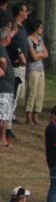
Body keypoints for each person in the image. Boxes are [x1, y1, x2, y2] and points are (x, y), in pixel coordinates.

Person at [24, 19, 48, 125]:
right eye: (41, 27)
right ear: (35, 28)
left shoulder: (40, 39)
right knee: (32, 92)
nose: (42, 29)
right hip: (33, 69)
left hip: (41, 69)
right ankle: (28, 114)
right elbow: (33, 56)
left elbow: (46, 53)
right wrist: (39, 55)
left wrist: (39, 55)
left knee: (40, 93)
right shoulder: (28, 40)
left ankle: (36, 114)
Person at [0, 18, 15, 148]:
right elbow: (3, 61)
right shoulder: (1, 48)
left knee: (5, 114)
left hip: (7, 87)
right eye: (9, 35)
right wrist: (4, 71)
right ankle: (2, 139)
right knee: (3, 115)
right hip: (4, 87)